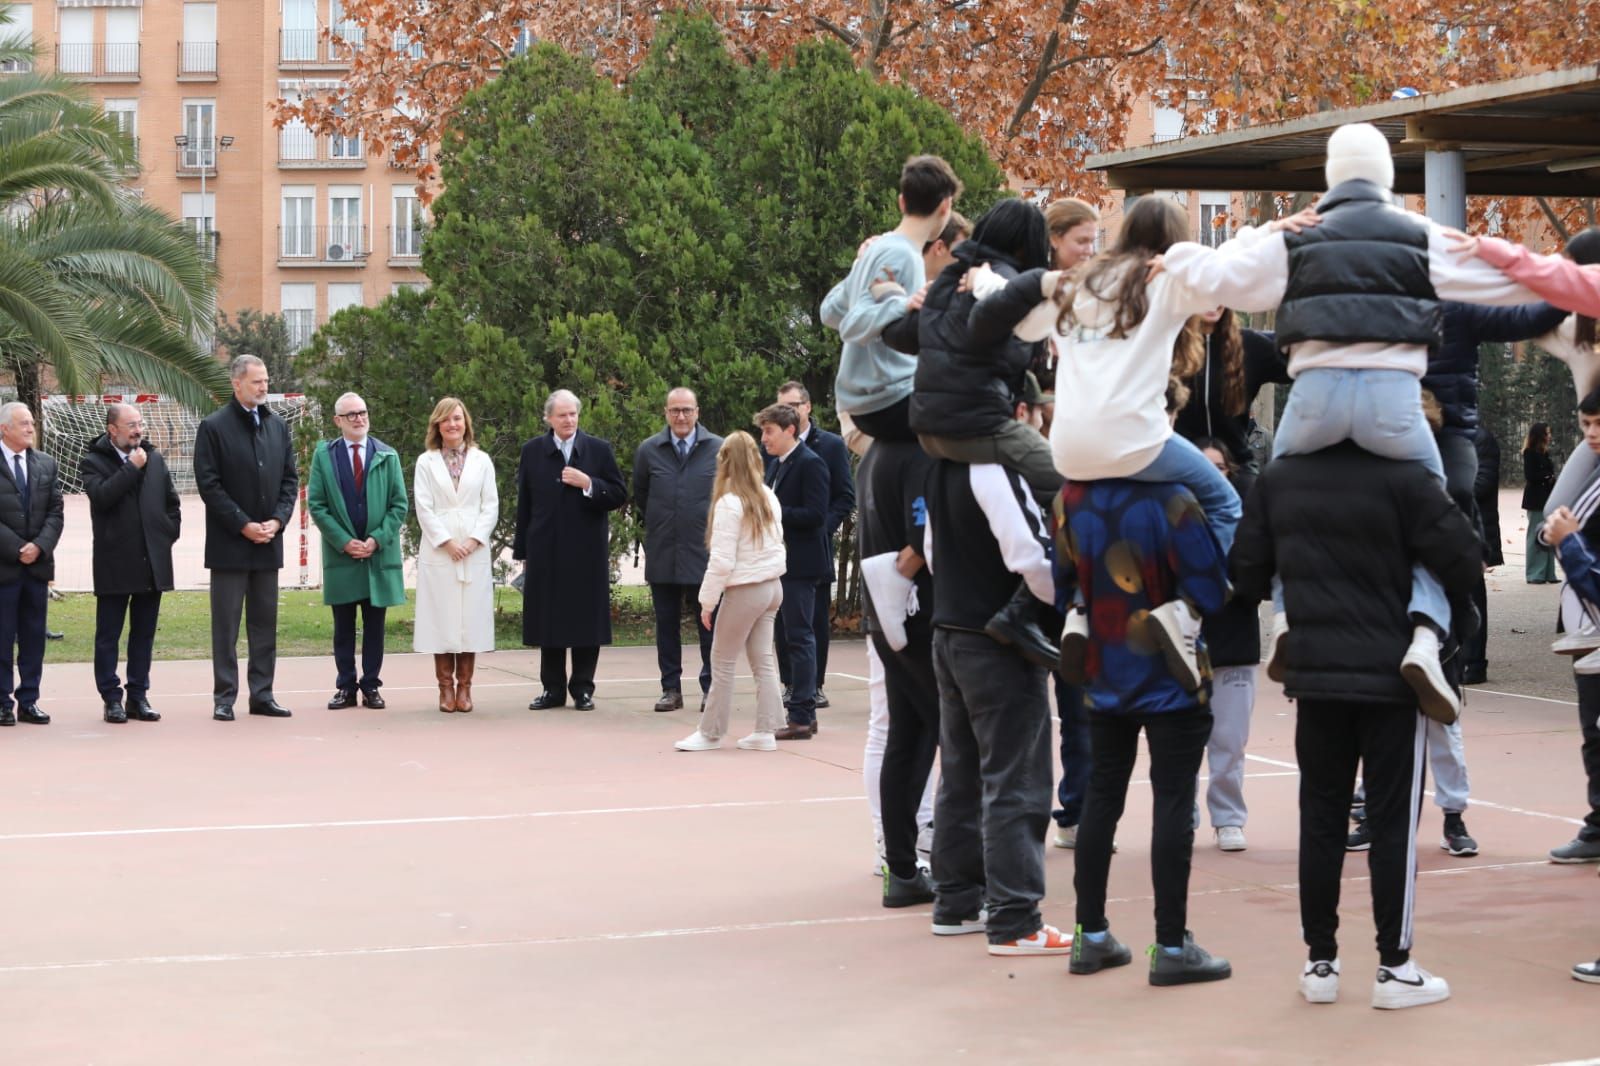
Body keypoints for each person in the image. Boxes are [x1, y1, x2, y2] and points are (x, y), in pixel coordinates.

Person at [1161, 122, 1552, 724]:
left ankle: (1285, 619)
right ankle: (1426, 633)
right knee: (1437, 514)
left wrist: (1258, 234)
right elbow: (1503, 289)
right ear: (1388, 178)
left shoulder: (1299, 236)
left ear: (1330, 175)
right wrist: (1560, 279)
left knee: (1274, 498)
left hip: (1316, 393)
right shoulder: (1420, 234)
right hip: (1394, 398)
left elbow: (1211, 278)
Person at [1232, 439, 1481, 1010]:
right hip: (1392, 674)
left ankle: (1320, 962)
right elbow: (1465, 558)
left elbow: (1245, 572)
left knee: (1320, 818)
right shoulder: (1408, 474)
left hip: (1317, 671)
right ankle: (1394, 968)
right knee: (1393, 824)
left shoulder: (1283, 476)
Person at [1056, 467, 1232, 985]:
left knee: (1101, 795)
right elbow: (1211, 588)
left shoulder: (1071, 498)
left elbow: (1060, 580)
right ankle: (1173, 945)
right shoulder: (1174, 498)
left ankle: (1090, 937)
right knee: (1173, 801)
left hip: (1104, 667)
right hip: (1171, 676)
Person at [881, 198, 1063, 668]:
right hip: (976, 423)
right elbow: (999, 323)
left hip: (929, 427)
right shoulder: (996, 282)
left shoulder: (948, 276)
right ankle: (1031, 607)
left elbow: (900, 336)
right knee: (1068, 485)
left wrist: (902, 301)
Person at [924, 410, 1069, 956]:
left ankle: (957, 902)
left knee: (960, 776)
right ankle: (1015, 919)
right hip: (995, 641)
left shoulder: (940, 466)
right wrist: (1066, 592)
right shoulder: (995, 467)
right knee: (1017, 779)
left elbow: (934, 552)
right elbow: (1031, 556)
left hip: (950, 630)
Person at [822, 154, 963, 443]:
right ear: (945, 206)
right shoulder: (902, 256)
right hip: (886, 396)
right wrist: (901, 304)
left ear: (901, 202)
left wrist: (857, 269)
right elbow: (851, 323)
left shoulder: (879, 248)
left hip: (867, 398)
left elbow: (830, 312)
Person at [856, 433, 940, 908]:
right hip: (917, 614)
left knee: (907, 737)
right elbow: (922, 537)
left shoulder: (877, 453)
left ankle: (903, 867)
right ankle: (965, 877)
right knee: (958, 738)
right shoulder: (916, 453)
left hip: (890, 615)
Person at [193, 355, 297, 722]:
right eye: (257, 382)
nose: (264, 387)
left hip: (268, 544)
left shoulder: (278, 427)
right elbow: (209, 485)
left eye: (266, 380)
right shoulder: (213, 427)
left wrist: (277, 521)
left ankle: (262, 694)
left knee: (264, 624)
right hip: (229, 546)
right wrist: (242, 525)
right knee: (226, 626)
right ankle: (224, 697)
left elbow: (289, 481)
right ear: (236, 384)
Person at [514, 390, 627, 712]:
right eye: (562, 415)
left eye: (573, 414)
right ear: (549, 418)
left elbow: (618, 493)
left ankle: (583, 689)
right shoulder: (533, 451)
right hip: (545, 548)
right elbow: (525, 502)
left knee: (585, 621)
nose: (569, 420)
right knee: (549, 621)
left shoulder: (598, 450)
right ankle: (552, 690)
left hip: (586, 550)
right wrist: (522, 548)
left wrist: (589, 483)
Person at [674, 432, 785, 752]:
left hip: (747, 589)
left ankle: (710, 732)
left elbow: (722, 561)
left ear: (723, 462)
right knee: (763, 659)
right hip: (772, 587)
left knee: (721, 660)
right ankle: (766, 730)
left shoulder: (729, 503)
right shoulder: (767, 495)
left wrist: (707, 602)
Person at [307, 393, 408, 711]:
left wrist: (376, 540)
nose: (358, 418)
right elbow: (317, 504)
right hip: (342, 556)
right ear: (338, 420)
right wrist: (343, 541)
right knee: (344, 627)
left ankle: (371, 686)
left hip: (378, 556)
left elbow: (399, 504)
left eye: (362, 412)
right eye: (350, 414)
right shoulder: (324, 456)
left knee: (375, 626)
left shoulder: (387, 456)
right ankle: (346, 687)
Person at [80, 403, 179, 724]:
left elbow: (171, 505)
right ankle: (112, 699)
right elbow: (103, 497)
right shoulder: (94, 461)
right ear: (113, 430)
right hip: (114, 562)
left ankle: (138, 695)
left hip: (152, 561)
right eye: (131, 425)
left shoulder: (155, 458)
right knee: (108, 635)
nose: (139, 430)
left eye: (140, 423)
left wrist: (165, 536)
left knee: (144, 634)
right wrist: (130, 468)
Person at [634, 387, 722, 713]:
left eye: (687, 410)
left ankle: (710, 688)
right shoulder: (648, 450)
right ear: (666, 413)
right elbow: (642, 497)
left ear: (698, 411)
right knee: (666, 625)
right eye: (675, 411)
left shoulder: (719, 448)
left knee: (709, 625)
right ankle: (670, 688)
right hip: (664, 551)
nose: (681, 417)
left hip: (705, 552)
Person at [1191, 440, 1259, 851]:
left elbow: (1258, 580)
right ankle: (1184, 817)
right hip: (1183, 646)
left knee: (1229, 742)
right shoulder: (1173, 521)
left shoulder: (1246, 524)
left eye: (1219, 467)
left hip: (1234, 646)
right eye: (1203, 466)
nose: (1213, 473)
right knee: (1182, 742)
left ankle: (1228, 819)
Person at [771, 382, 853, 709]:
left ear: (808, 407)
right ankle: (791, 683)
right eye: (782, 406)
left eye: (793, 405)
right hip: (777, 549)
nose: (788, 411)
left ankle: (814, 684)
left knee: (813, 621)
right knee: (782, 622)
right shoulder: (771, 446)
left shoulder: (829, 446)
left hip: (812, 548)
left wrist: (822, 529)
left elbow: (844, 496)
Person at [413, 398, 498, 713]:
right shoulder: (426, 462)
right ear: (437, 425)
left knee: (469, 622)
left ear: (466, 423)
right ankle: (445, 689)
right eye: (446, 420)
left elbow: (490, 505)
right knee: (443, 620)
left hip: (473, 550)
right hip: (441, 550)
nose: (452, 425)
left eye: (458, 419)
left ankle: (465, 689)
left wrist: (475, 540)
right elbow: (424, 507)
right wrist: (447, 542)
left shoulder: (482, 460)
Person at [1544, 388, 1600, 864]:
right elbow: (1559, 523)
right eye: (1586, 426)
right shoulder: (1592, 479)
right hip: (1589, 634)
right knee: (1594, 735)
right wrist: (1557, 534)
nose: (1592, 436)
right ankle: (1598, 826)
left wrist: (1569, 544)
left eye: (1599, 425)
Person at [755, 403, 829, 740]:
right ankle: (801, 712)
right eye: (762, 431)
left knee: (800, 638)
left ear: (790, 430)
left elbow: (816, 515)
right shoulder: (776, 465)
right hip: (780, 564)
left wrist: (773, 512)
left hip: (800, 566)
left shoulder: (811, 464)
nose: (764, 438)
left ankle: (802, 714)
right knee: (786, 638)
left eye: (769, 431)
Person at [1173, 309, 1289, 499]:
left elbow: (1302, 359)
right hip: (1181, 466)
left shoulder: (1249, 345)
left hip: (1236, 465)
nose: (1213, 302)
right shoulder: (1168, 344)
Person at [0, 403, 62, 728]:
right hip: (4, 568)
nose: (30, 428)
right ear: (3, 428)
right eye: (23, 423)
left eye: (31, 423)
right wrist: (16, 548)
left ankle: (29, 701)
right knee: (1, 637)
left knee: (33, 637)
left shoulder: (45, 464)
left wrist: (39, 546)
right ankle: (1, 703)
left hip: (36, 567)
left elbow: (56, 511)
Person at [1463, 424, 1503, 687]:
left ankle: (1475, 664)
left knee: (1473, 599)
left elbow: (1482, 484)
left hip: (1474, 534)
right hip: (1452, 529)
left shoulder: (1481, 438)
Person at [1523, 422, 1559, 583]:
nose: (1549, 436)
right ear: (1539, 435)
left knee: (1549, 534)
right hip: (1536, 499)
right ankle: (1534, 574)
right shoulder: (1529, 453)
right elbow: (1530, 475)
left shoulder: (1545, 453)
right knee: (1535, 535)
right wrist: (1547, 477)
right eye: (1547, 433)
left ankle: (1549, 573)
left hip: (1547, 498)